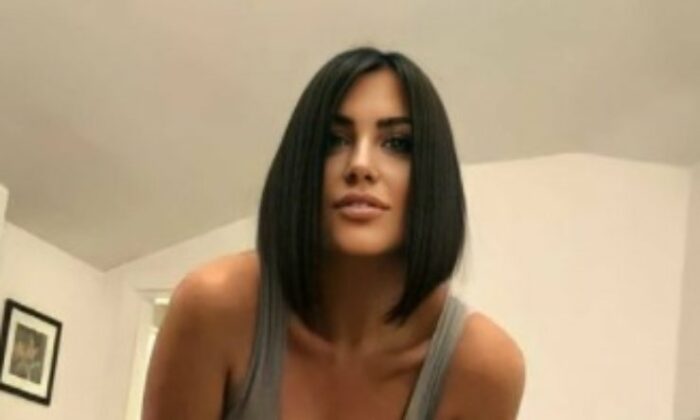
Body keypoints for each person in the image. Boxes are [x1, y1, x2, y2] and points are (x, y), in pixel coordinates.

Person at [142, 47, 525, 420]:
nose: (360, 165)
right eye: (334, 141)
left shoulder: (483, 367)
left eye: (397, 144)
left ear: (433, 174)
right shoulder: (215, 308)